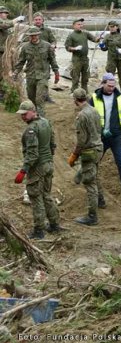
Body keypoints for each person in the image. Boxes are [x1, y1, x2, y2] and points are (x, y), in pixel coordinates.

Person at [14, 100, 61, 239]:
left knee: (36, 197)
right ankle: (54, 225)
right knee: (46, 195)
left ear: (33, 111)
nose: (22, 117)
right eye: (21, 115)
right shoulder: (46, 122)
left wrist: (23, 170)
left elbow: (32, 154)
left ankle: (39, 230)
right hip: (48, 164)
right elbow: (52, 144)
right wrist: (49, 159)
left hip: (37, 167)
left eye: (25, 114)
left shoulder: (31, 129)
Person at [89, 73, 121, 203]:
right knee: (94, 160)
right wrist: (100, 130)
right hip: (101, 137)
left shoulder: (119, 97)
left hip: (116, 135)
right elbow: (89, 117)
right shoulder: (94, 98)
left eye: (113, 86)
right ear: (103, 84)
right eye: (109, 86)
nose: (111, 88)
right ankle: (83, 175)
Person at [68, 88, 104, 226]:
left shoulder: (82, 116)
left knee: (90, 183)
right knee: (94, 175)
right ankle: (101, 201)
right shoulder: (94, 111)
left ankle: (92, 216)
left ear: (75, 101)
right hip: (98, 147)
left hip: (89, 151)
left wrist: (74, 155)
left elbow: (82, 140)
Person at [12, 26, 60, 117]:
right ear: (29, 36)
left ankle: (41, 118)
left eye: (35, 35)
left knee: (39, 99)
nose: (33, 37)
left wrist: (56, 72)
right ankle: (35, 114)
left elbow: (52, 60)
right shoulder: (25, 47)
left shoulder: (47, 46)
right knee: (31, 98)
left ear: (38, 35)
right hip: (30, 76)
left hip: (43, 76)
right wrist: (15, 72)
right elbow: (21, 62)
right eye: (31, 36)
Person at [24, 12, 58, 104]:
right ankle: (35, 97)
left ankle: (46, 96)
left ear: (42, 20)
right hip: (33, 57)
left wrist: (53, 46)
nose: (38, 21)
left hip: (45, 56)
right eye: (36, 19)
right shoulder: (29, 30)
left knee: (45, 76)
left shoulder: (47, 30)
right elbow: (23, 42)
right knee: (34, 78)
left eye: (39, 19)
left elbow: (53, 40)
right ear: (33, 20)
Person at [64, 18, 99, 92]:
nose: (81, 26)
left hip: (85, 59)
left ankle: (84, 91)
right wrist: (75, 48)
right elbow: (67, 47)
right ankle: (74, 91)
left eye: (81, 24)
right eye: (78, 24)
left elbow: (94, 39)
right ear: (74, 26)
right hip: (77, 59)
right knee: (75, 77)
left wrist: (98, 38)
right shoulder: (71, 36)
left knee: (85, 77)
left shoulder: (85, 33)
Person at [102, 21, 121, 93]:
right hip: (111, 60)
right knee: (110, 77)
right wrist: (102, 46)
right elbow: (104, 48)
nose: (112, 28)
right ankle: (110, 91)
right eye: (110, 27)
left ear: (117, 27)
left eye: (113, 27)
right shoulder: (107, 36)